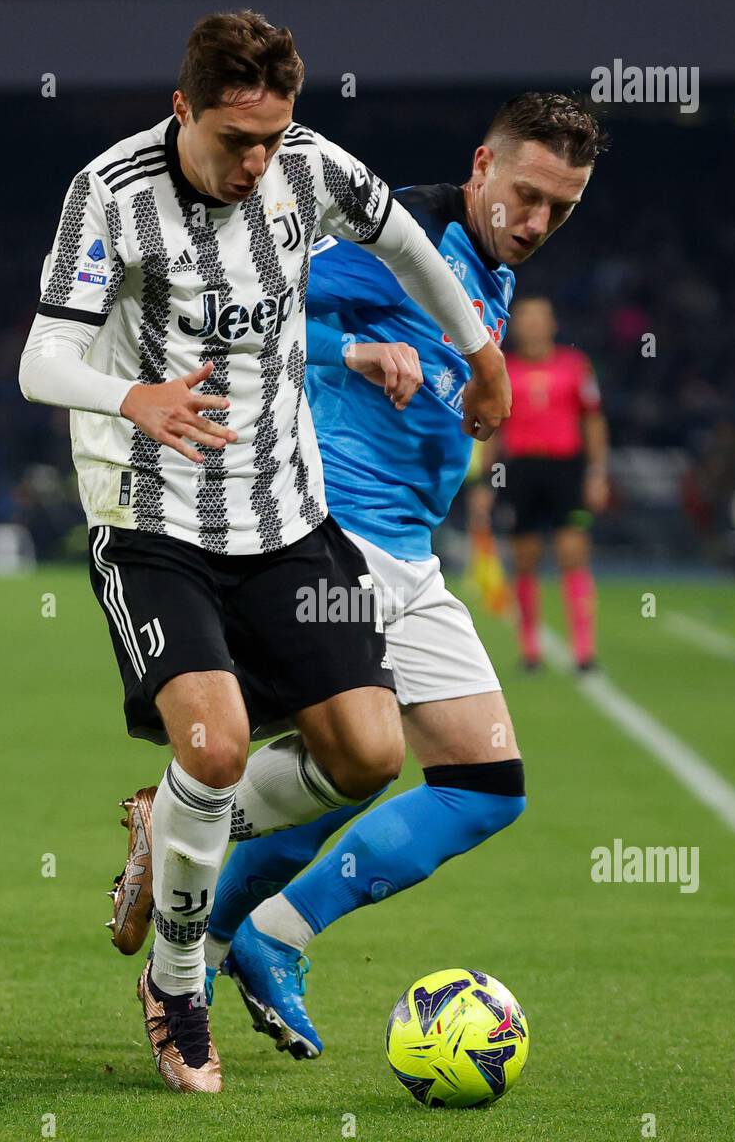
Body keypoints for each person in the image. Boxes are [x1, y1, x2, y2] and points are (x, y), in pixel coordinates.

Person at [18, 9, 512, 1094]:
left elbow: (408, 245)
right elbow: (41, 358)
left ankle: (172, 824)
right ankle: (178, 983)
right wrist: (129, 394)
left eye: (272, 137)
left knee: (368, 756)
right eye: (233, 139)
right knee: (214, 742)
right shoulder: (109, 192)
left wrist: (479, 354)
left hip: (285, 518)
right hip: (153, 520)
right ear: (181, 109)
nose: (255, 162)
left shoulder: (305, 164)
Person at [114, 93, 609, 1063]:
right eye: (524, 195)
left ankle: (246, 930)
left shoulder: (486, 266)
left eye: (560, 207)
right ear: (481, 166)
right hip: (335, 535)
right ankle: (203, 885)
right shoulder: (404, 236)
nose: (536, 222)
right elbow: (260, 301)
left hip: (408, 551)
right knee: (351, 761)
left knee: (479, 784)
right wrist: (352, 349)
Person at [489, 295, 609, 671]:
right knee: (525, 559)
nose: (533, 325)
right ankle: (529, 649)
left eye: (541, 318)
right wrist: (482, 482)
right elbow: (492, 425)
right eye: (526, 318)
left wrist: (597, 473)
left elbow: (592, 419)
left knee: (573, 554)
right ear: (515, 324)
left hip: (566, 469)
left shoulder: (575, 366)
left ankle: (584, 650)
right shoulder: (501, 366)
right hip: (521, 469)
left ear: (553, 324)